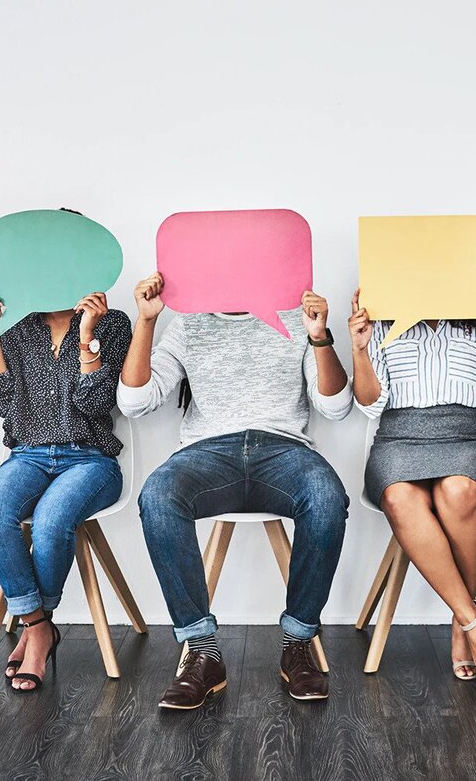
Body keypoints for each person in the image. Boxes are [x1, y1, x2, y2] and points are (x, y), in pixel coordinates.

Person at [119, 273, 352, 709]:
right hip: (208, 453)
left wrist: (319, 337)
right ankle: (202, 653)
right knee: (158, 496)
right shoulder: (188, 323)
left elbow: (336, 407)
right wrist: (146, 321)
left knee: (325, 497)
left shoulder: (295, 318)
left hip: (284, 450)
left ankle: (298, 645)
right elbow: (134, 402)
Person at [348, 289, 476, 692]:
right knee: (397, 496)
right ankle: (474, 622)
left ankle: (462, 621)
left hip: (470, 438)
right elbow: (370, 406)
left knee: (459, 491)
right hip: (398, 439)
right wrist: (360, 348)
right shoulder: (380, 321)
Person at [0, 283, 131, 693]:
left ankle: (36, 630)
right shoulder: (19, 325)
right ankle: (38, 624)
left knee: (50, 520)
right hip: (28, 454)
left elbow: (95, 403)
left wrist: (86, 339)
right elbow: (3, 403)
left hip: (91, 458)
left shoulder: (112, 323)